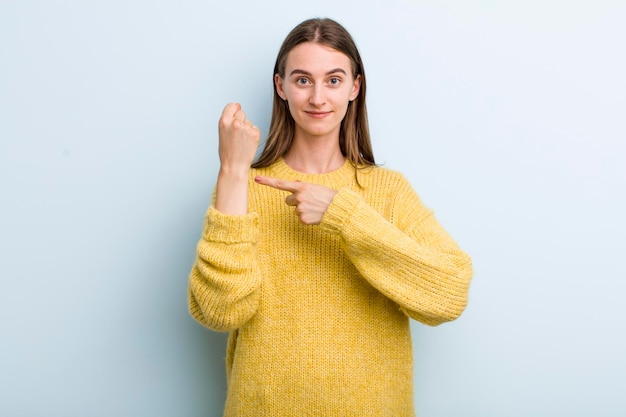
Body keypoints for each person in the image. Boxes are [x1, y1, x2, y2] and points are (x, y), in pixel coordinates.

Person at [188, 17, 473, 416]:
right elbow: (221, 311)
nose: (318, 97)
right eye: (303, 80)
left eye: (333, 80)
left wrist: (343, 215)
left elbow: (448, 294)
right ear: (281, 87)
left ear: (355, 87)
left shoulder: (387, 191)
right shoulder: (243, 187)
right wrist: (233, 171)